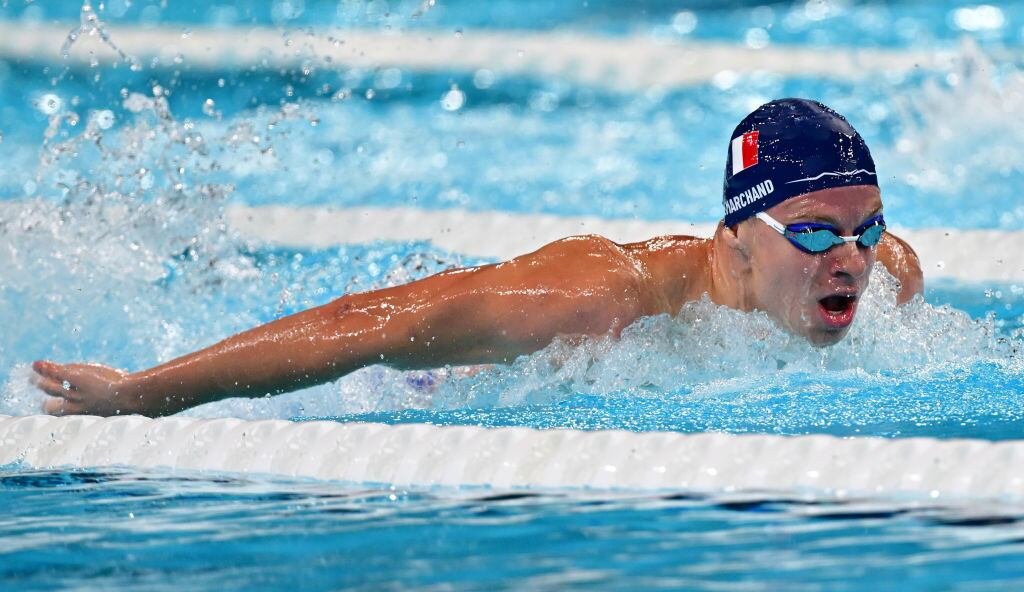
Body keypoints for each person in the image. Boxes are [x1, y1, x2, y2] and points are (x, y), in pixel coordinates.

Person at [31, 98, 923, 417]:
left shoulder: (866, 266)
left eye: (868, 226)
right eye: (813, 231)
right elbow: (365, 327)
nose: (851, 256)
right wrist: (141, 397)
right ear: (733, 235)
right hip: (409, 390)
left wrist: (859, 242)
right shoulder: (597, 297)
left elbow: (870, 250)